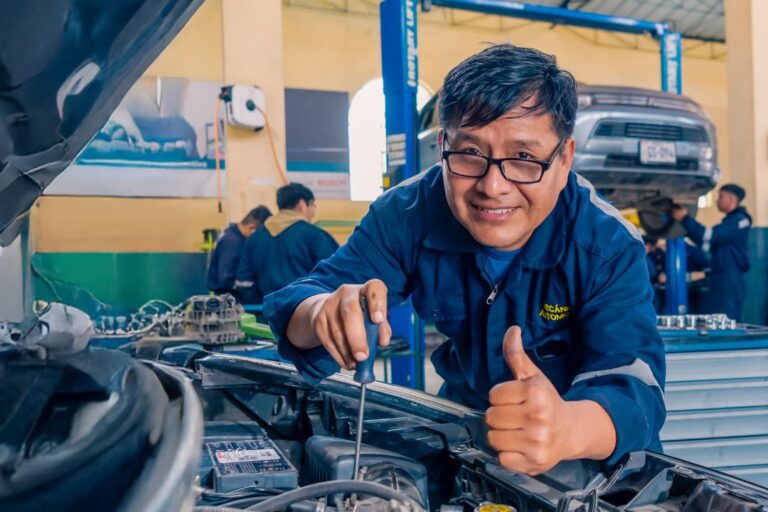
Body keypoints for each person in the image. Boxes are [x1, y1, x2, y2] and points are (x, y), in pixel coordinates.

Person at [264, 44, 665, 475]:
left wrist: (568, 427)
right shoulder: (407, 214)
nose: (493, 186)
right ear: (442, 146)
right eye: (470, 154)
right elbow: (302, 302)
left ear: (564, 158)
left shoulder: (606, 242)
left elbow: (635, 383)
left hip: (591, 462)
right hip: (472, 434)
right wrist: (319, 314)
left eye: (525, 158)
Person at [235, 183, 339, 304]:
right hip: (306, 314)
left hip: (266, 316)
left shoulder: (254, 238)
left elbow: (244, 282)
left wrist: (267, 307)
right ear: (302, 205)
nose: (313, 210)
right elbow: (334, 275)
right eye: (312, 205)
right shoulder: (316, 236)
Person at [671, 184, 752, 321]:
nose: (717, 200)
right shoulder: (731, 222)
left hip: (729, 280)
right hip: (720, 277)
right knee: (717, 319)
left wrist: (684, 218)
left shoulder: (739, 221)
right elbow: (705, 242)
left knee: (726, 320)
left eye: (721, 196)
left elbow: (708, 236)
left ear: (732, 199)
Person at [206, 206, 272, 295]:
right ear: (252, 228)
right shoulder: (232, 242)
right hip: (226, 295)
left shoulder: (232, 232)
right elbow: (225, 279)